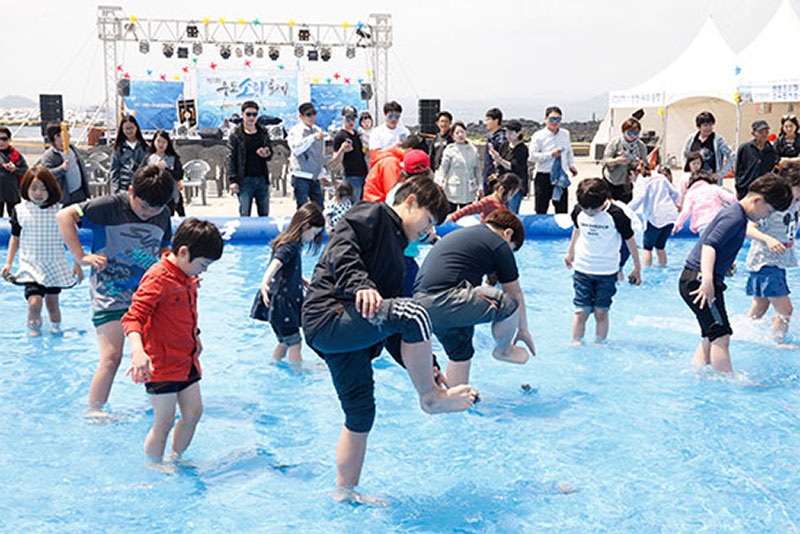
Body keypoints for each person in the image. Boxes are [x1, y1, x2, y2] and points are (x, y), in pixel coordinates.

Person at [301, 178, 478, 497]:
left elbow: (396, 329)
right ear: (410, 201)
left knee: (360, 412)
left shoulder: (398, 254)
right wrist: (361, 284)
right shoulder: (373, 214)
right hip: (329, 316)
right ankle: (430, 400)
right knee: (416, 312)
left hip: (352, 332)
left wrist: (431, 367)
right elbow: (341, 245)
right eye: (427, 220)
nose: (426, 231)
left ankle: (346, 493)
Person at [57, 164, 174, 414]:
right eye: (143, 206)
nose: (148, 213)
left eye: (156, 208)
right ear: (131, 191)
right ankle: (95, 410)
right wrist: (80, 256)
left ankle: (157, 406)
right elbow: (64, 215)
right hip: (109, 292)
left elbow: (165, 248)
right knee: (112, 356)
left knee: (156, 353)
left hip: (146, 295)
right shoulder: (108, 206)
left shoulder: (162, 215)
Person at [123, 218, 224, 461]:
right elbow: (133, 316)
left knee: (193, 413)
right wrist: (137, 351)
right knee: (164, 421)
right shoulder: (158, 278)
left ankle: (175, 458)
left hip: (185, 359)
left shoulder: (187, 276)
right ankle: (154, 466)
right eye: (203, 264)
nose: (204, 269)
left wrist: (196, 336)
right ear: (183, 252)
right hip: (160, 363)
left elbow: (182, 312)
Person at [679, 173, 792, 373]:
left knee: (711, 333)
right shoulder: (734, 217)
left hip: (695, 279)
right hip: (700, 282)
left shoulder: (737, 215)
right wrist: (707, 281)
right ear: (757, 200)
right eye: (768, 211)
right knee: (721, 335)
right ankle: (727, 383)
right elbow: (709, 246)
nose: (766, 216)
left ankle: (698, 372)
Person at [414, 209, 535, 385]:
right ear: (508, 233)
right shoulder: (498, 243)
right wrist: (523, 330)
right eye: (512, 250)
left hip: (423, 304)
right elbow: (514, 294)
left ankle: (457, 400)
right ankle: (503, 351)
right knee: (507, 303)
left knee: (461, 354)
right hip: (446, 298)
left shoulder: (466, 235)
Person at [564, 178, 642, 345]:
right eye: (586, 210)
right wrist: (570, 251)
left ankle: (600, 342)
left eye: (594, 210)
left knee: (601, 311)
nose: (590, 213)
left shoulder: (617, 215)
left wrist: (637, 266)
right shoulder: (579, 210)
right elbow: (577, 229)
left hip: (607, 271)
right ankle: (576, 342)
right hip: (582, 269)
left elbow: (630, 240)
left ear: (605, 200)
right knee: (581, 311)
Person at [2, 167, 77, 336]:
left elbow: (70, 239)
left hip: (53, 264)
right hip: (31, 265)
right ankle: (34, 331)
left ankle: (56, 328)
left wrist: (77, 263)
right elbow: (15, 237)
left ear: (51, 189)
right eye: (34, 188)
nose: (38, 193)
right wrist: (8, 263)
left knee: (52, 303)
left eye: (43, 188)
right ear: (26, 189)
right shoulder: (20, 210)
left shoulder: (60, 211)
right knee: (34, 303)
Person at [251, 203, 325, 364]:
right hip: (282, 304)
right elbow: (276, 263)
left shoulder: (289, 242)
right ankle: (297, 373)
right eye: (314, 232)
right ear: (305, 225)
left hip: (278, 304)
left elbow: (285, 269)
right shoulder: (290, 246)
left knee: (285, 341)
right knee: (295, 343)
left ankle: (274, 364)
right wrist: (264, 282)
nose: (313, 237)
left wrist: (301, 279)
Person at [744, 162, 800, 344]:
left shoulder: (795, 204)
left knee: (760, 305)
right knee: (785, 309)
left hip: (775, 262)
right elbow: (748, 228)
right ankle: (778, 342)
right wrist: (768, 239)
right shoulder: (774, 208)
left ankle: (743, 333)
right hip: (766, 262)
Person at [226, 101, 273, 216]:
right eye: (248, 114)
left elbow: (270, 152)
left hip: (262, 178)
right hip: (244, 179)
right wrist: (233, 180)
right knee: (245, 214)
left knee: (264, 215)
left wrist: (266, 152)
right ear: (242, 114)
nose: (251, 117)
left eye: (254, 114)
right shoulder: (235, 134)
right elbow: (231, 158)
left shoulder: (263, 132)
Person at [528, 107, 578, 214]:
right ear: (546, 118)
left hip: (560, 176)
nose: (555, 122)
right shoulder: (538, 136)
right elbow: (532, 156)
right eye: (552, 119)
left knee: (562, 209)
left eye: (558, 119)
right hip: (544, 175)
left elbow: (569, 151)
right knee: (541, 209)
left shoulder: (565, 134)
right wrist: (550, 155)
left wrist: (571, 165)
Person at [629, 166, 679, 266]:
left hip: (655, 217)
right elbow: (675, 193)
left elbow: (639, 199)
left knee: (647, 248)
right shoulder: (661, 177)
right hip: (670, 216)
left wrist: (626, 210)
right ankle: (662, 267)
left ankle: (647, 270)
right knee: (660, 247)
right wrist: (670, 203)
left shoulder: (642, 180)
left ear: (632, 173)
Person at [362, 136, 426, 202]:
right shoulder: (391, 162)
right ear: (409, 150)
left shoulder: (392, 159)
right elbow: (392, 193)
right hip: (377, 205)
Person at [41, 122, 91, 206]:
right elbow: (46, 175)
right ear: (56, 136)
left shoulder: (72, 149)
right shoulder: (50, 155)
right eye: (66, 133)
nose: (69, 136)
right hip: (66, 197)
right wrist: (61, 169)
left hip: (80, 193)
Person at [673, 170, 737, 235]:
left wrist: (678, 225)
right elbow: (731, 198)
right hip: (717, 221)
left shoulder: (690, 194)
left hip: (702, 224)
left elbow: (685, 212)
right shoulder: (714, 188)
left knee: (706, 244)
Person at [287, 102, 326, 209]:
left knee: (319, 207)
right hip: (301, 175)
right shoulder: (296, 131)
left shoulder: (318, 130)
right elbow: (296, 149)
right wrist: (312, 138)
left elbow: (320, 154)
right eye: (308, 114)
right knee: (303, 208)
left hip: (315, 176)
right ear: (301, 116)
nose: (312, 117)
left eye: (314, 114)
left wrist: (322, 174)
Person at [436, 122, 480, 211]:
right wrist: (440, 182)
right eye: (457, 133)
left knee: (467, 217)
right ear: (452, 136)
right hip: (453, 190)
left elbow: (477, 170)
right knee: (450, 215)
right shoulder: (449, 150)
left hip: (468, 190)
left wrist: (480, 186)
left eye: (462, 132)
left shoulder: (473, 150)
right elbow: (443, 169)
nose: (460, 135)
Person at [682, 111, 735, 185]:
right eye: (705, 125)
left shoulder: (718, 140)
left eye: (710, 125)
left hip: (711, 181)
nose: (708, 128)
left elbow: (732, 156)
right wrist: (687, 171)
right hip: (694, 180)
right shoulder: (691, 139)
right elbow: (685, 155)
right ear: (699, 127)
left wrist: (720, 174)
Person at [602, 118, 647, 203]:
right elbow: (605, 161)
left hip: (629, 183)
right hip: (612, 180)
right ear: (624, 132)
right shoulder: (615, 143)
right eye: (630, 133)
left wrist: (640, 165)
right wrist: (617, 161)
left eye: (636, 133)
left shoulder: (641, 146)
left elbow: (646, 164)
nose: (633, 135)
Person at [488, 119, 529, 214]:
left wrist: (499, 159)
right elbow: (501, 164)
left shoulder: (522, 149)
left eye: (511, 132)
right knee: (500, 210)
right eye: (507, 132)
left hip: (515, 185)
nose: (508, 135)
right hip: (503, 183)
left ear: (519, 133)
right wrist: (497, 161)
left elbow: (514, 166)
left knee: (511, 212)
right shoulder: (504, 145)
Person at [447, 173, 521, 223]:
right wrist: (453, 217)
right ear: (501, 189)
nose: (511, 198)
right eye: (511, 194)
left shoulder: (503, 203)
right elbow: (469, 209)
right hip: (487, 236)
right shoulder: (488, 201)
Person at [735, 120, 779, 200]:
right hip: (746, 189)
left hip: (764, 190)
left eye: (766, 132)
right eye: (761, 132)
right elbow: (738, 169)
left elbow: (774, 169)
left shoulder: (772, 151)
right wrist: (739, 186)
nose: (764, 134)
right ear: (753, 134)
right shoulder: (744, 148)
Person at [332, 106, 368, 201]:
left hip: (363, 173)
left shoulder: (357, 134)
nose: (351, 121)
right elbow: (335, 159)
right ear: (342, 118)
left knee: (362, 204)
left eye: (353, 118)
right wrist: (342, 150)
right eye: (348, 118)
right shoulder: (340, 136)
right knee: (352, 203)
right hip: (351, 175)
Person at [146, 130, 185, 216]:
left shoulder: (173, 158)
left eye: (164, 142)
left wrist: (166, 169)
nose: (161, 144)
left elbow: (179, 175)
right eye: (158, 141)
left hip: (171, 195)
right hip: (154, 195)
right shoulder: (149, 158)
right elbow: (142, 174)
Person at [109, 115, 147, 193]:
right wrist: (116, 190)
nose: (129, 131)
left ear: (136, 128)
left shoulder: (145, 148)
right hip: (123, 189)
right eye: (126, 128)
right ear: (122, 130)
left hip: (142, 189)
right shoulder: (118, 148)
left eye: (131, 128)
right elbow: (114, 170)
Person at [0, 127, 29, 217]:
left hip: (12, 193)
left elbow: (26, 171)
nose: (1, 142)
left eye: (4, 139)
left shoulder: (15, 155)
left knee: (15, 219)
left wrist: (15, 170)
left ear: (9, 140)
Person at [482, 108, 507, 195]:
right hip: (489, 173)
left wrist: (496, 173)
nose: (486, 122)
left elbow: (502, 157)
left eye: (488, 119)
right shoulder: (493, 136)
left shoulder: (500, 138)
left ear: (496, 120)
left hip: (494, 176)